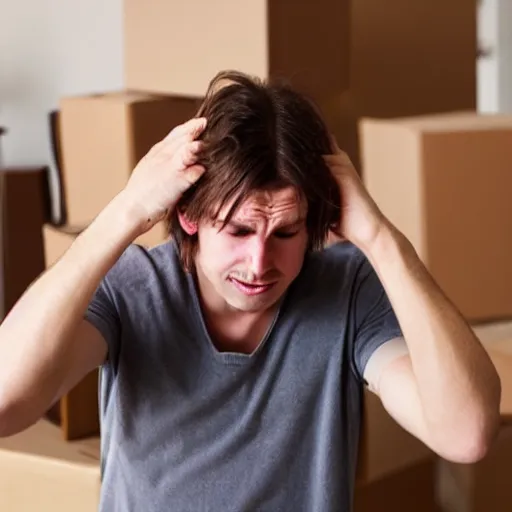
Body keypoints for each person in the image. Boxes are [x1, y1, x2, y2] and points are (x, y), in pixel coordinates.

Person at [0, 71, 501, 511]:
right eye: (238, 232)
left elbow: (466, 432)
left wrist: (381, 239)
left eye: (285, 233)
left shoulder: (347, 289)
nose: (260, 265)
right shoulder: (132, 287)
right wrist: (126, 211)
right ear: (188, 214)